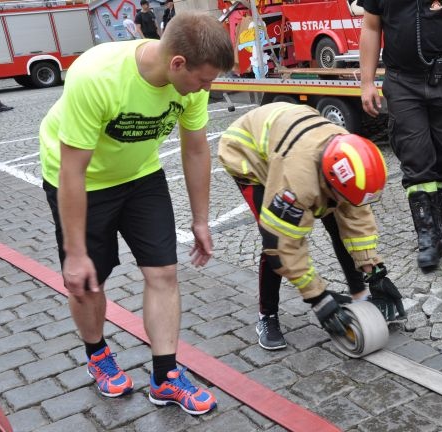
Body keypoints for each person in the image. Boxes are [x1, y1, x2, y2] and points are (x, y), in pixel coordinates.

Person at [39, 12, 234, 414]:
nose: (208, 88)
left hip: (141, 174)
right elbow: (71, 169)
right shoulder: (97, 76)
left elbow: (196, 148)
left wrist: (200, 219)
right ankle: (97, 354)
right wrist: (75, 253)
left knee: (163, 271)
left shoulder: (190, 86)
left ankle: (165, 377)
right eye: (204, 79)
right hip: (82, 180)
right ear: (177, 63)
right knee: (89, 280)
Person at [218, 102, 406, 350]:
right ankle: (267, 316)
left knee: (339, 220)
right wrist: (317, 297)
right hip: (248, 155)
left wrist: (374, 270)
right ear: (330, 182)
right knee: (271, 240)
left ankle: (359, 296)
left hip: (294, 138)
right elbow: (282, 245)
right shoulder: (296, 185)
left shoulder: (350, 158)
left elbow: (356, 217)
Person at [359, 0, 442, 271]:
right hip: (403, 82)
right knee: (416, 157)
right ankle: (427, 237)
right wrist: (367, 82)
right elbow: (371, 27)